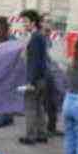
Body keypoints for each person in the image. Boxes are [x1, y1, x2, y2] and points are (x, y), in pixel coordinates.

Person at [20, 9, 50, 145]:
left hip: (35, 79)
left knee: (31, 106)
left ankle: (30, 136)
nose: (23, 24)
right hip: (42, 78)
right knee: (39, 106)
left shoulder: (35, 38)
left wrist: (30, 81)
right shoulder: (39, 36)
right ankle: (42, 134)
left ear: (33, 22)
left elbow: (34, 62)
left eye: (25, 21)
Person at [41, 13, 61, 137]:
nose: (49, 24)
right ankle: (45, 129)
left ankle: (52, 127)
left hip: (52, 73)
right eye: (46, 21)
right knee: (45, 102)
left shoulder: (50, 38)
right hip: (44, 74)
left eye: (50, 22)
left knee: (53, 101)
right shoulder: (39, 38)